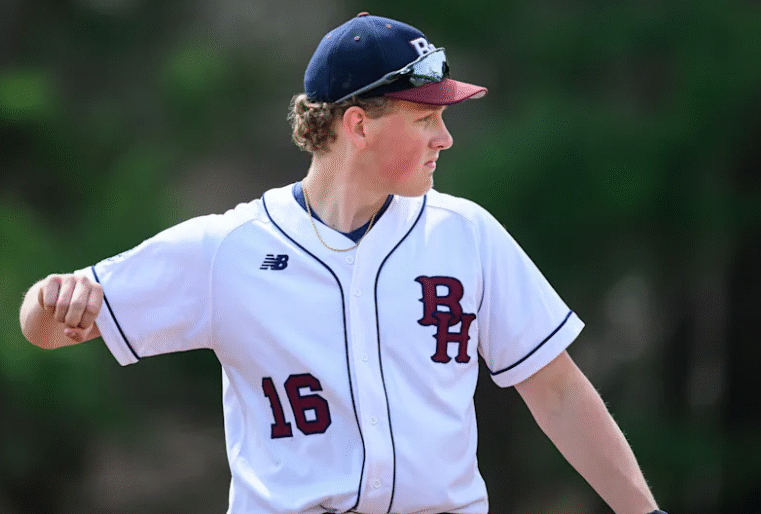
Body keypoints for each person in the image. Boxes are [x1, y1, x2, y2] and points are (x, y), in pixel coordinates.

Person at [19, 12, 665, 514]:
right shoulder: (231, 250)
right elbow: (41, 327)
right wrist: (50, 302)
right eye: (427, 118)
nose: (446, 137)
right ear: (357, 126)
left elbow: (556, 392)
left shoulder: (466, 234)